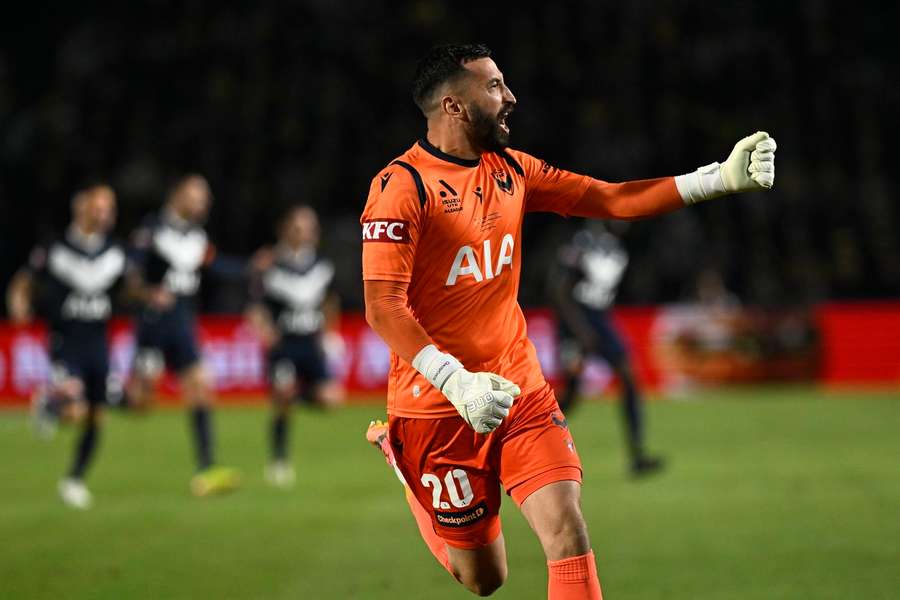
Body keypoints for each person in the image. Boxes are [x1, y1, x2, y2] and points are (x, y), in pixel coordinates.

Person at [361, 43, 776, 598]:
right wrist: (454, 380)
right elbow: (383, 306)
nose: (510, 97)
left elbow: (610, 200)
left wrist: (716, 179)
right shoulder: (400, 189)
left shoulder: (512, 169)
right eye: (493, 86)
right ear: (454, 106)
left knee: (568, 529)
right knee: (483, 579)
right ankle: (401, 458)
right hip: (436, 406)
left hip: (519, 388)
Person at [6, 183, 126, 509]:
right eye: (99, 207)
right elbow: (24, 281)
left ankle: (74, 479)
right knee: (76, 408)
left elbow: (129, 287)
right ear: (81, 209)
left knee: (97, 416)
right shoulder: (56, 248)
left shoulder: (114, 252)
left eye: (109, 208)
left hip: (99, 342)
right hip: (65, 340)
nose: (105, 213)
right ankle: (54, 403)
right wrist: (19, 303)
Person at [124, 174, 240, 497]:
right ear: (177, 195)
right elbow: (129, 280)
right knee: (141, 402)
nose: (205, 202)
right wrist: (149, 293)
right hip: (154, 325)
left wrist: (254, 267)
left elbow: (218, 267)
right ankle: (89, 397)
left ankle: (207, 469)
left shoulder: (197, 238)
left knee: (202, 388)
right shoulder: (151, 232)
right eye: (198, 195)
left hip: (182, 326)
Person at [551, 221, 664, 476]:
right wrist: (580, 331)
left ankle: (638, 455)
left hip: (600, 319)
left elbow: (602, 292)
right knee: (570, 395)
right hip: (576, 321)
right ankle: (525, 436)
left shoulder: (618, 249)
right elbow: (560, 292)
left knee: (628, 376)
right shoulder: (585, 241)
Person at [246, 205, 342, 488]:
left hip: (311, 342)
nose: (307, 233)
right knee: (282, 400)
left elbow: (330, 302)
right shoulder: (270, 265)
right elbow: (255, 305)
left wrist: (329, 333)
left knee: (331, 399)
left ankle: (291, 395)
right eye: (301, 227)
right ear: (287, 230)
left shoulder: (322, 266)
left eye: (311, 227)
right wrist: (264, 330)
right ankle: (278, 460)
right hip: (284, 344)